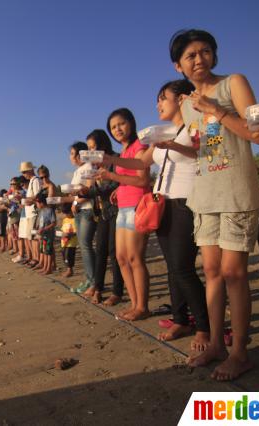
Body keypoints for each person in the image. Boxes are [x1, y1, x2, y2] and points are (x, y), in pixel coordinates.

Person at [169, 29, 259, 381]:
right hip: (205, 193)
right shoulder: (187, 103)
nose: (199, 59)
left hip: (236, 190)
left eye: (205, 51)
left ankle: (240, 353)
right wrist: (178, 146)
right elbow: (207, 148)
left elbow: (256, 133)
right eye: (191, 56)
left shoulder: (233, 84)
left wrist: (216, 111)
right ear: (178, 65)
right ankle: (216, 345)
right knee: (210, 271)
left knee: (234, 272)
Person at [99, 80, 211, 349]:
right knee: (174, 269)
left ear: (182, 99)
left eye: (164, 98)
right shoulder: (164, 133)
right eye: (157, 100)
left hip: (186, 200)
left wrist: (172, 145)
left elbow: (209, 152)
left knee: (184, 269)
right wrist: (111, 160)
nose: (159, 104)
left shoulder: (197, 126)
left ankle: (205, 328)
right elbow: (140, 163)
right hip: (163, 203)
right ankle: (180, 319)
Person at [96, 108, 151, 321]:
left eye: (121, 124)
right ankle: (135, 303)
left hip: (138, 205)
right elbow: (129, 179)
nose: (117, 129)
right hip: (124, 207)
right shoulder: (124, 150)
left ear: (131, 123)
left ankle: (142, 306)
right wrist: (119, 189)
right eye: (113, 127)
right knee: (121, 258)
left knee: (135, 258)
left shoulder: (139, 147)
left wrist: (112, 176)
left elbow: (143, 181)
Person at [84, 129, 123, 306]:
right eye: (89, 149)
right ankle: (98, 287)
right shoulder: (95, 165)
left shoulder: (115, 159)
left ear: (102, 145)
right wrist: (86, 190)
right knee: (100, 249)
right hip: (103, 211)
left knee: (114, 252)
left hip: (117, 209)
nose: (91, 152)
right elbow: (96, 190)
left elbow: (116, 183)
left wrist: (91, 191)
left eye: (93, 147)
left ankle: (117, 291)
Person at [65, 142, 96, 293]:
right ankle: (90, 280)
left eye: (72, 153)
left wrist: (76, 202)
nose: (70, 157)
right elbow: (76, 193)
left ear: (79, 155)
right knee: (84, 247)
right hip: (79, 211)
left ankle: (93, 282)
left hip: (86, 211)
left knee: (86, 246)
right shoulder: (78, 171)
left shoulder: (89, 167)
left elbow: (90, 190)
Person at [13, 162, 41, 264]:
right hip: (29, 212)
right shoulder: (32, 181)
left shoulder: (36, 181)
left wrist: (23, 198)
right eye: (23, 172)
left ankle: (36, 259)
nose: (24, 174)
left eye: (24, 172)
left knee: (33, 238)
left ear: (30, 170)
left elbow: (38, 197)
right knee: (30, 237)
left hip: (33, 212)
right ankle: (33, 258)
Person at [35, 194, 56, 275]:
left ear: (41, 203)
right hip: (42, 235)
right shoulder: (41, 211)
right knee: (44, 251)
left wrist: (44, 229)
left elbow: (54, 223)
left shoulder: (50, 210)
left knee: (48, 251)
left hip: (49, 235)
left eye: (37, 203)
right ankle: (45, 267)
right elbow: (39, 223)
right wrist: (37, 229)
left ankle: (49, 268)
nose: (37, 205)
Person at [59, 203, 78, 278]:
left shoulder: (75, 219)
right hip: (64, 242)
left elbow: (76, 231)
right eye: (65, 213)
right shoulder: (65, 220)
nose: (66, 215)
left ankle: (70, 270)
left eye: (67, 213)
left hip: (71, 243)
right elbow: (63, 229)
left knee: (69, 256)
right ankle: (68, 269)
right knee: (64, 255)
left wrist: (70, 235)